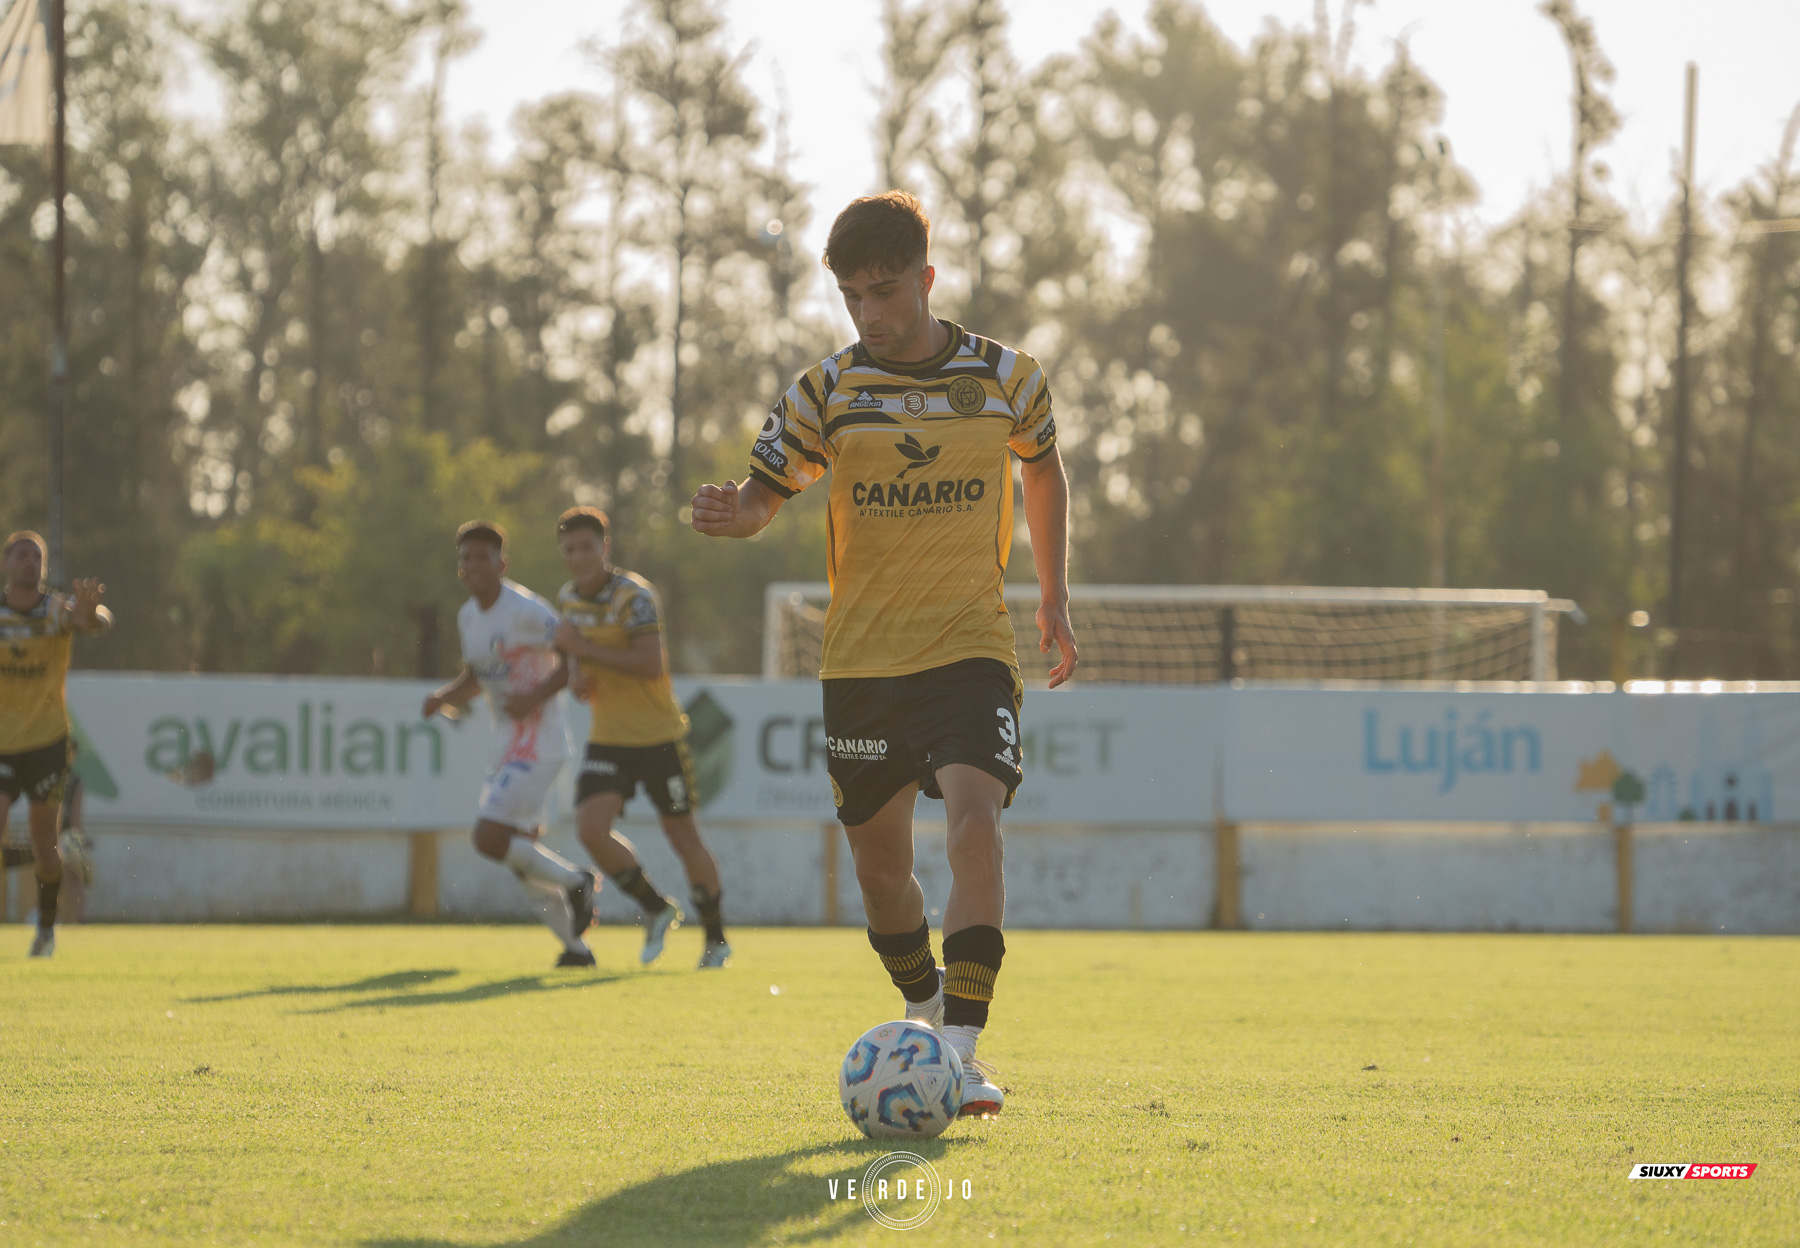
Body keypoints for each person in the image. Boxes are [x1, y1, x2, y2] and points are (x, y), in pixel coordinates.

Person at [691, 192, 1078, 1118]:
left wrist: (1054, 595)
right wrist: (730, 515)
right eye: (855, 296)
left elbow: (1043, 464)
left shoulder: (1005, 376)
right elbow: (762, 497)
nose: (873, 312)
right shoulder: (825, 390)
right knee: (878, 870)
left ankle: (958, 1049)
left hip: (970, 647)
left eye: (888, 289)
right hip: (861, 663)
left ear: (927, 278)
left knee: (978, 821)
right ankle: (922, 1005)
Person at [552, 506, 729, 968]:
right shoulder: (568, 598)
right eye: (570, 549)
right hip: (608, 737)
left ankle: (715, 938)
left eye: (587, 547)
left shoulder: (634, 595)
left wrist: (582, 651)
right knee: (590, 829)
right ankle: (655, 907)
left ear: (604, 547)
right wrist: (577, 677)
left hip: (659, 737)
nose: (579, 557)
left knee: (683, 837)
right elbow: (577, 665)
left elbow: (650, 663)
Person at [421, 521, 599, 967]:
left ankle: (578, 881)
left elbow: (571, 650)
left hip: (541, 742)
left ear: (502, 564)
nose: (473, 565)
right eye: (465, 558)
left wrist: (536, 696)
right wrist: (444, 696)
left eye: (482, 557)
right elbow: (478, 678)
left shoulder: (524, 609)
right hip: (506, 744)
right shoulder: (468, 617)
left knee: (488, 836)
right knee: (518, 854)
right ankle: (576, 949)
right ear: (459, 568)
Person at [0, 531, 112, 956]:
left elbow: (95, 622)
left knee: (44, 842)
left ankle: (45, 930)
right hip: (2, 745)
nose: (30, 562)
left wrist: (91, 615)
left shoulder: (56, 611)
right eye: (22, 555)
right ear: (7, 565)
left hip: (47, 743)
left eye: (37, 557)